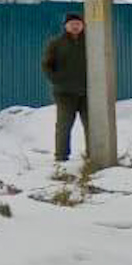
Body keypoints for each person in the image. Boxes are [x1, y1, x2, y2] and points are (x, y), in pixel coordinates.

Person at [42, 12, 89, 164]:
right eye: (72, 24)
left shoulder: (90, 41)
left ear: (82, 26)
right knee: (64, 125)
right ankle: (61, 157)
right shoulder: (56, 43)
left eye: (78, 24)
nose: (75, 27)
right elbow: (47, 65)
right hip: (65, 93)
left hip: (88, 92)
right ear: (66, 26)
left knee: (91, 125)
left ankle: (93, 154)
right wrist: (57, 80)